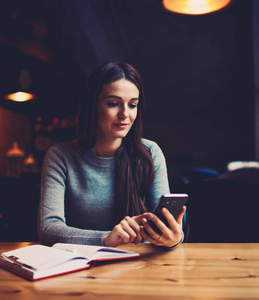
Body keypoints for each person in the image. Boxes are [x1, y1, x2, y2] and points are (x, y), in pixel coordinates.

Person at [37, 62, 186, 249]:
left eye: (132, 105)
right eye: (113, 104)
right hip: (81, 268)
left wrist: (173, 238)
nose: (125, 114)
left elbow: (162, 225)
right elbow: (48, 229)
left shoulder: (150, 152)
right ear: (93, 105)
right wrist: (106, 239)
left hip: (141, 266)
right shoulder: (60, 156)